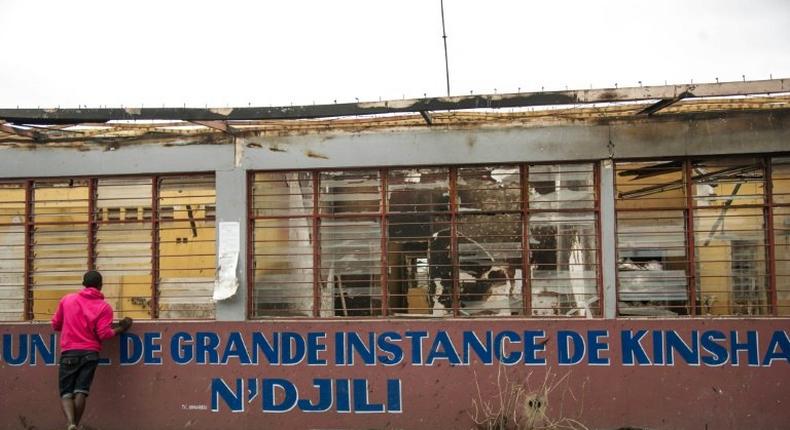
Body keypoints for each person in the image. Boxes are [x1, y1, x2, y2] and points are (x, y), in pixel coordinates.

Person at [51, 270, 133, 430]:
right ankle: (76, 425)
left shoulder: (67, 300)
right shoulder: (104, 307)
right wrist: (121, 328)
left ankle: (70, 423)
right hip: (90, 354)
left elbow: (55, 325)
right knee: (81, 391)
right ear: (100, 286)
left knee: (66, 393)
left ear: (83, 284)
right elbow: (104, 334)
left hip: (69, 352)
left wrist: (70, 324)